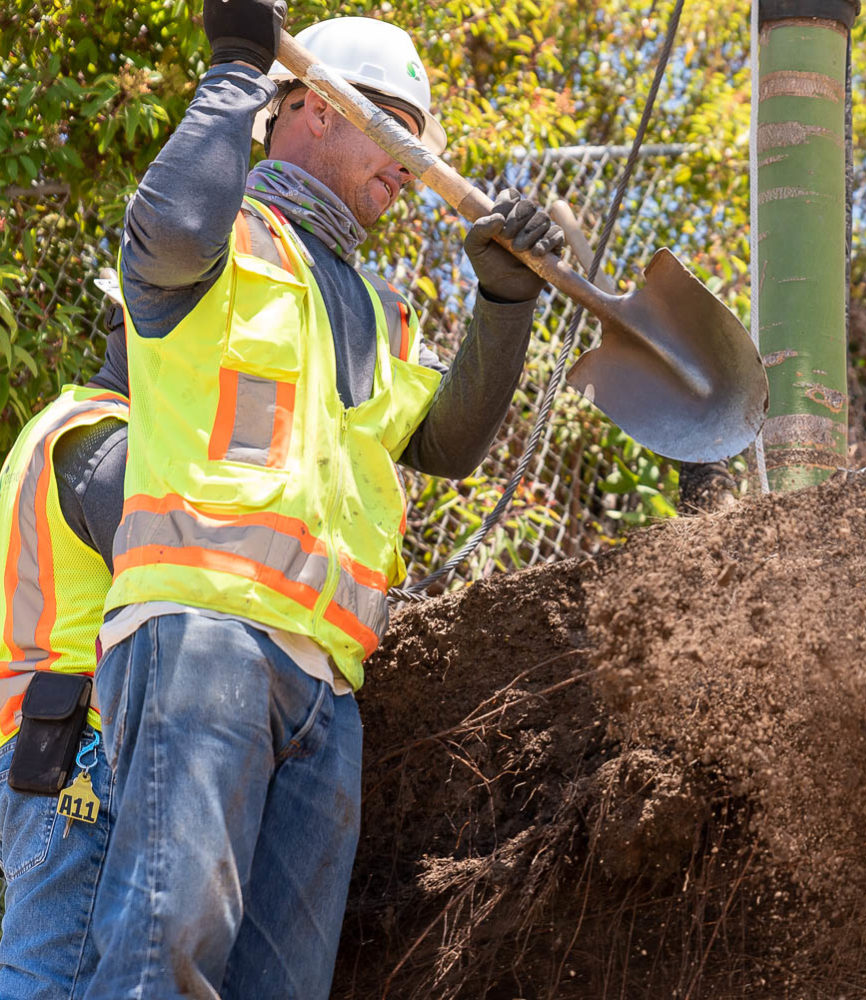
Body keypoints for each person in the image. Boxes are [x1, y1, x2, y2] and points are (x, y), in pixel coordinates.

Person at [87, 3, 564, 996]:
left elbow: (448, 441)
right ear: (312, 107)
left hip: (324, 685)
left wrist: (505, 303)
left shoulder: (373, 310)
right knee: (163, 954)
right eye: (397, 130)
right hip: (203, 634)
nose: (412, 166)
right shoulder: (219, 241)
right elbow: (170, 231)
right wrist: (236, 67)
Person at [0, 280, 130, 998]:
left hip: (37, 741)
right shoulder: (109, 442)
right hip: (78, 750)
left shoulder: (53, 423)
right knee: (53, 978)